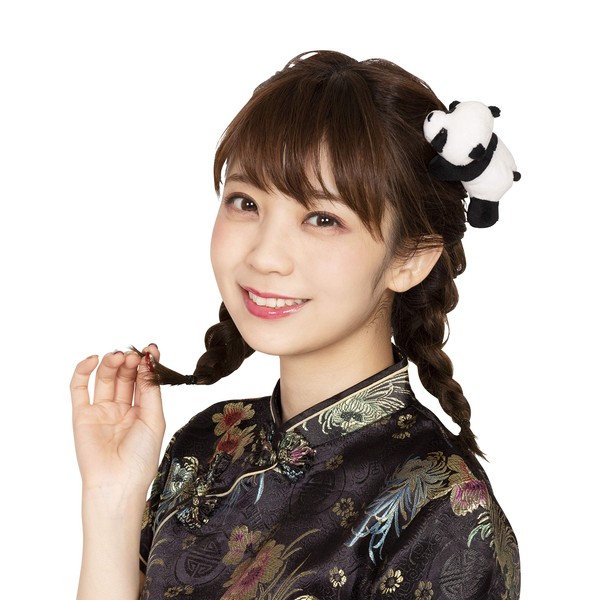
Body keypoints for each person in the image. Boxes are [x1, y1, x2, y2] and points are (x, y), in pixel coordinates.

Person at [71, 50, 520, 599]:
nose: (265, 255)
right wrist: (112, 499)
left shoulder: (443, 508)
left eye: (322, 218)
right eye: (245, 202)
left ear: (410, 258)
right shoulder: (209, 442)